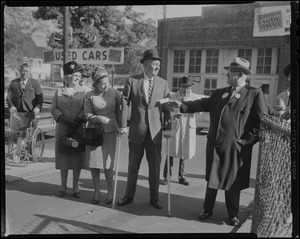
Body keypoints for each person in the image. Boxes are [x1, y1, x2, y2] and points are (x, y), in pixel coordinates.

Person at [169, 57, 267, 226]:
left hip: (235, 147)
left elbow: (262, 122)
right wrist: (181, 105)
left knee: (233, 181)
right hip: (215, 145)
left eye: (230, 72)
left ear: (238, 75)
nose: (227, 74)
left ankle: (232, 213)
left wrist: (247, 141)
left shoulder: (253, 94)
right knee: (213, 179)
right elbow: (202, 103)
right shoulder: (220, 92)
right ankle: (207, 209)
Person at [117, 49, 171, 210]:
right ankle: (128, 196)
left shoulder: (163, 83)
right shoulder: (133, 81)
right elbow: (124, 102)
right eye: (154, 64)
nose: (156, 68)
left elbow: (167, 107)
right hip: (137, 130)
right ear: (145, 65)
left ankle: (155, 198)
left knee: (155, 168)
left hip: (156, 132)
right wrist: (122, 124)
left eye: (158, 65)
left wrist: (167, 127)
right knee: (133, 166)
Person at [84, 67, 121, 205]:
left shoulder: (115, 93)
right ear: (95, 84)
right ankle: (97, 191)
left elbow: (120, 111)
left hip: (110, 132)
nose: (105, 86)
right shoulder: (89, 95)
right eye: (102, 84)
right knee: (95, 164)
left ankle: (110, 191)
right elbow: (86, 115)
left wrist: (121, 126)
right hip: (94, 133)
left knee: (108, 164)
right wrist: (97, 118)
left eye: (107, 83)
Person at [51, 61, 86, 198]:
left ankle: (75, 186)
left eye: (77, 75)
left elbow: (87, 108)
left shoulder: (84, 91)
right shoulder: (59, 91)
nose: (75, 77)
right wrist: (62, 118)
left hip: (78, 128)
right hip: (63, 127)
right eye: (72, 75)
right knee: (64, 157)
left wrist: (79, 119)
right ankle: (63, 185)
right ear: (66, 77)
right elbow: (53, 108)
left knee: (77, 156)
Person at [160, 76, 202, 186]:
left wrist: (191, 107)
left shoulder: (194, 97)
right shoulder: (173, 96)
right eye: (184, 87)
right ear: (180, 86)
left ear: (191, 87)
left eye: (188, 87)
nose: (185, 89)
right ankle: (167, 176)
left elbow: (199, 112)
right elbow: (167, 111)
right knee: (171, 152)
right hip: (176, 127)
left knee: (184, 152)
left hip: (188, 127)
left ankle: (182, 176)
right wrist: (174, 115)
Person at [6, 62, 43, 131]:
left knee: (28, 137)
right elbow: (8, 97)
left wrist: (38, 107)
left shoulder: (35, 83)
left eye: (26, 71)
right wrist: (11, 106)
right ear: (20, 71)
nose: (24, 73)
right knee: (15, 136)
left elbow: (40, 98)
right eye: (23, 71)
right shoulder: (13, 83)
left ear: (30, 72)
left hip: (30, 113)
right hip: (16, 114)